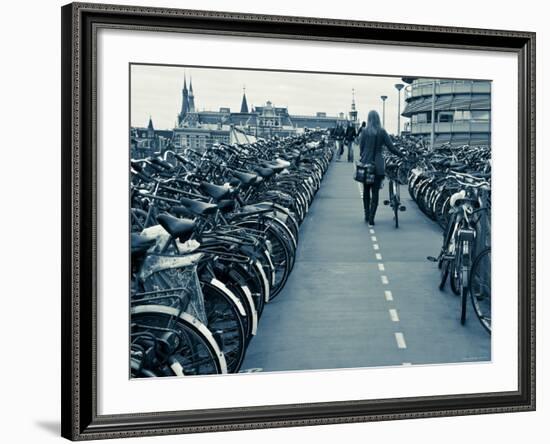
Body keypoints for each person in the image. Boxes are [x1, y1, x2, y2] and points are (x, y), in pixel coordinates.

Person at [358, 110, 403, 226]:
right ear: (378, 119)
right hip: (378, 166)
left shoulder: (364, 131)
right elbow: (391, 148)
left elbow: (361, 148)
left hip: (366, 164)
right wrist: (401, 155)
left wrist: (364, 157)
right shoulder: (382, 132)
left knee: (366, 191)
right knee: (375, 192)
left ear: (368, 119)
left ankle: (366, 214)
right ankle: (372, 217)